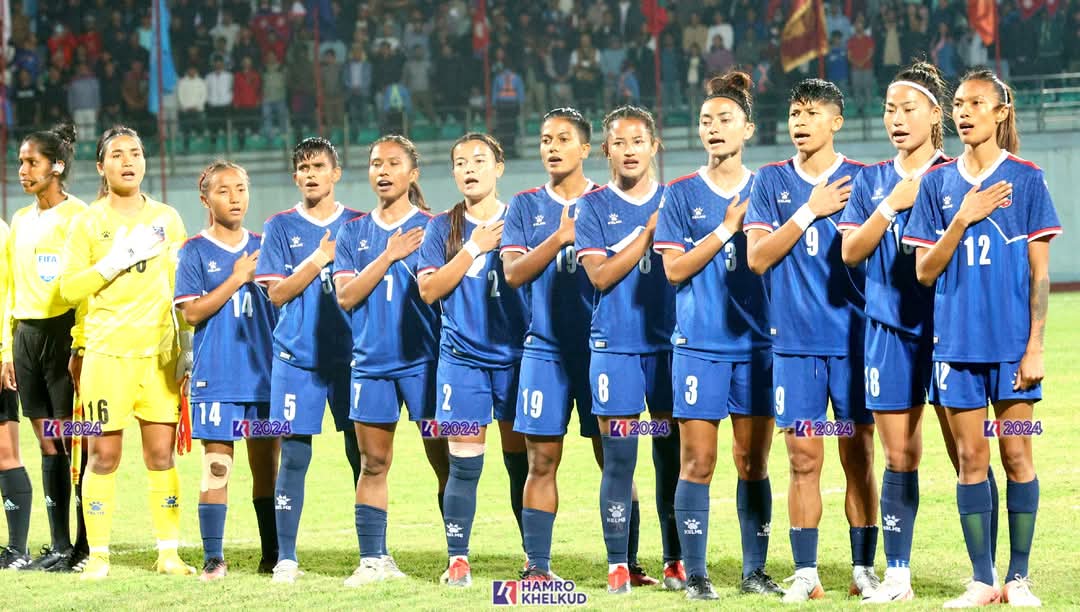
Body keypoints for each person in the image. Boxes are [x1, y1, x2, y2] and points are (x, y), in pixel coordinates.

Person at [904, 69, 1061, 608]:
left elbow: (1040, 275)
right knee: (971, 461)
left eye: (976, 103)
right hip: (955, 349)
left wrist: (1035, 345)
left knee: (1017, 456)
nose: (964, 112)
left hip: (1013, 352)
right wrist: (962, 219)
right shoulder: (937, 184)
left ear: (1001, 111)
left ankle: (1018, 578)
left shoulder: (1027, 179)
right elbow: (924, 271)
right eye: (958, 105)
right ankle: (982, 579)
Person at [744, 79, 880, 602]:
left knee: (858, 458)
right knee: (803, 460)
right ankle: (806, 573)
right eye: (794, 113)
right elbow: (758, 258)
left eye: (812, 113)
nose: (800, 122)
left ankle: (864, 569)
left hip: (853, 344)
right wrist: (809, 210)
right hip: (795, 348)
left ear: (836, 121)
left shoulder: (863, 179)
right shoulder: (770, 181)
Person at [838, 61, 966, 604]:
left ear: (936, 115)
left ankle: (989, 573)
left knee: (969, 458)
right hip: (889, 332)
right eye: (890, 108)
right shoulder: (871, 180)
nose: (896, 118)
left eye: (908, 108)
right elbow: (850, 251)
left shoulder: (958, 175)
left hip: (951, 332)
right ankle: (898, 575)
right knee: (900, 457)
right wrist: (893, 203)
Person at [654, 72, 781, 601]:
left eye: (725, 119)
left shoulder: (769, 188)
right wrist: (727, 228)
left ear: (747, 128)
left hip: (756, 348)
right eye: (706, 120)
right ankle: (697, 574)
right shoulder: (681, 193)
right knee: (697, 462)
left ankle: (755, 572)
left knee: (753, 462)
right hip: (699, 347)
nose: (713, 127)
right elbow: (674, 270)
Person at [59, 126, 194, 580]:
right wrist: (114, 261)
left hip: (158, 356)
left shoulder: (167, 219)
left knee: (161, 455)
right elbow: (69, 289)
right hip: (106, 356)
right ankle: (98, 555)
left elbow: (181, 287)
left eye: (135, 152)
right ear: (101, 166)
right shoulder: (87, 222)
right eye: (117, 154)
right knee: (104, 456)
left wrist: (186, 346)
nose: (128, 161)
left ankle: (168, 553)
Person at [574, 105, 682, 595]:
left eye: (638, 141)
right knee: (620, 458)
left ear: (654, 146)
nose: (630, 150)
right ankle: (620, 563)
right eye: (619, 142)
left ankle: (675, 561)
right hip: (614, 348)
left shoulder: (676, 199)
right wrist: (646, 235)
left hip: (669, 348)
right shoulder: (593, 207)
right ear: (606, 150)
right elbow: (600, 275)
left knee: (669, 454)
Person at [333, 135, 450, 586]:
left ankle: (456, 557)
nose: (382, 171)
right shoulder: (353, 232)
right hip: (371, 365)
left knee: (445, 462)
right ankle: (372, 560)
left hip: (426, 364)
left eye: (393, 163)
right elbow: (346, 296)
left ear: (412, 173)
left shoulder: (436, 227)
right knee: (373, 464)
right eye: (375, 163)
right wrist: (388, 255)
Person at [416, 133, 528, 588]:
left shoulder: (521, 219)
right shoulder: (442, 228)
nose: (469, 169)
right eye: (460, 162)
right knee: (464, 463)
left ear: (498, 167)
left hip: (517, 362)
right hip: (462, 363)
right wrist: (473, 248)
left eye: (479, 160)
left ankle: (534, 558)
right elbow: (429, 290)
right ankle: (458, 559)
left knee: (522, 463)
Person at [253, 137, 364, 583]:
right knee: (294, 456)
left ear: (335, 173)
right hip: (296, 359)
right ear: (295, 177)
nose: (311, 174)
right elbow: (277, 293)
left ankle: (372, 554)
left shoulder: (359, 223)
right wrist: (320, 257)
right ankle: (286, 558)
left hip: (353, 359)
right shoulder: (279, 227)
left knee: (363, 455)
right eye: (303, 168)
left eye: (319, 166)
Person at [174, 161, 280, 581]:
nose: (234, 198)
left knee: (266, 468)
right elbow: (191, 313)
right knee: (217, 466)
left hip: (264, 378)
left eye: (240, 189)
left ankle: (273, 555)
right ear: (205, 199)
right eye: (224, 190)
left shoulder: (267, 247)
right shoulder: (194, 250)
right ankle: (214, 558)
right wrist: (237, 278)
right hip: (217, 378)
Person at [0, 124, 90, 572]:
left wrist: (81, 344)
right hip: (27, 337)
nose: (23, 170)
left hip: (63, 335)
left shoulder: (80, 217)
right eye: (20, 162)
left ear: (56, 166)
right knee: (47, 441)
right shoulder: (19, 220)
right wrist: (7, 348)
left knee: (74, 440)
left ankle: (85, 546)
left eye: (31, 162)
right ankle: (57, 545)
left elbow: (88, 289)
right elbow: (9, 288)